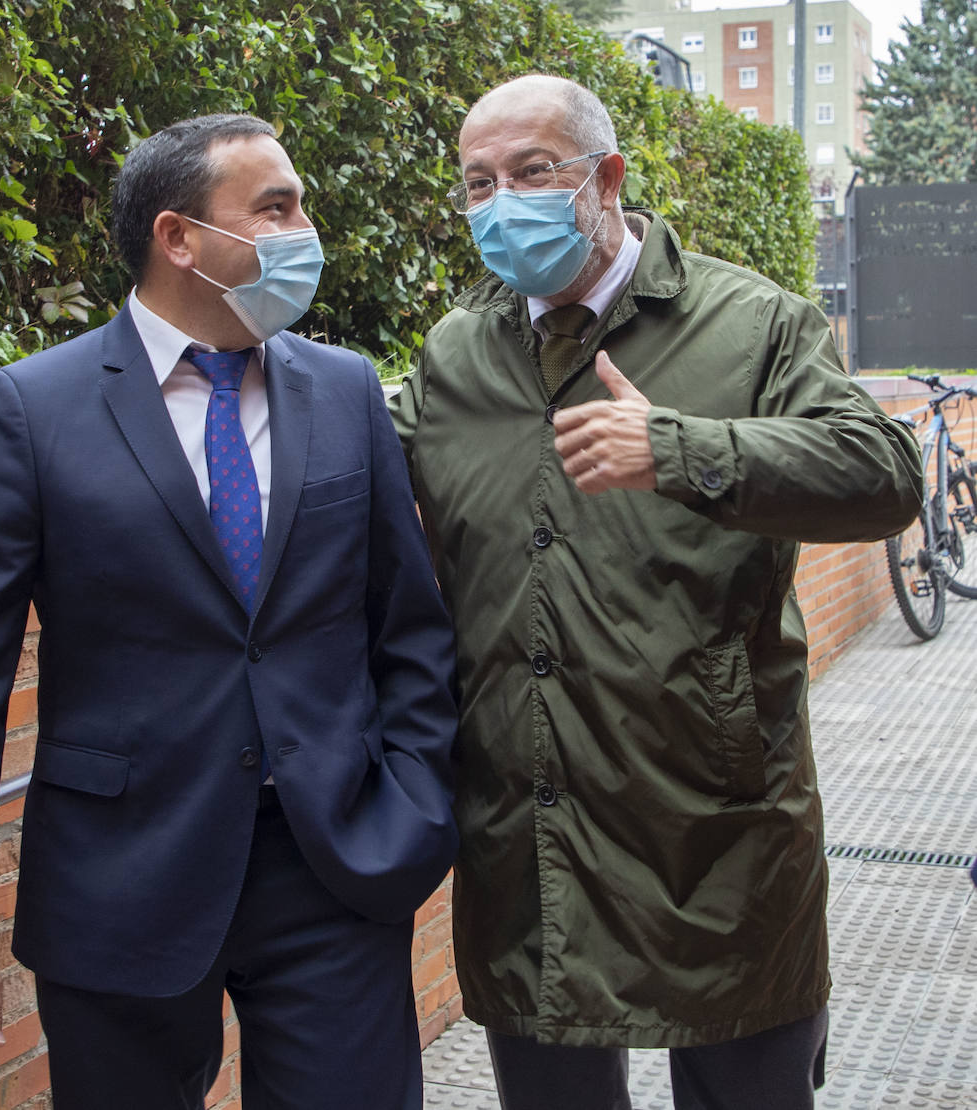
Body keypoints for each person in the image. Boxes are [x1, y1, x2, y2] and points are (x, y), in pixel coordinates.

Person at [0, 113, 459, 1109]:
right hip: (120, 877)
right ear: (179, 238)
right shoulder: (35, 408)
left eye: (301, 204)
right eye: (275, 207)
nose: (303, 228)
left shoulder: (347, 391)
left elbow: (406, 624)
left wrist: (413, 807)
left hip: (333, 866)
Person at [390, 75, 922, 1110]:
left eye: (532, 171)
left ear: (609, 177)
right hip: (527, 829)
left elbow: (882, 475)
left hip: (714, 829)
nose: (503, 202)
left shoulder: (752, 323)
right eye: (478, 182)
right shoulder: (458, 352)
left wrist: (679, 447)